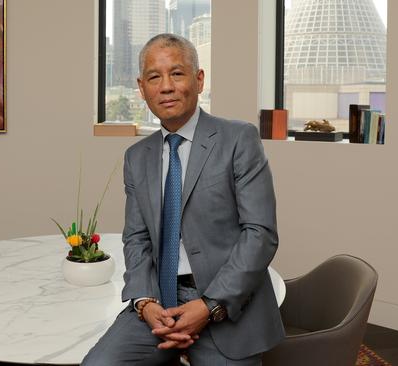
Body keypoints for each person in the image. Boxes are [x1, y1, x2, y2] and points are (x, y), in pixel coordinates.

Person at [82, 33, 283, 365]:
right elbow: (136, 237)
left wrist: (209, 305)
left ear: (199, 79)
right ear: (142, 88)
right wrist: (144, 303)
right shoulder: (136, 157)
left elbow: (260, 233)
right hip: (158, 302)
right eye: (154, 77)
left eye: (177, 73)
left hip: (226, 303)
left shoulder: (238, 139)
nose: (166, 86)